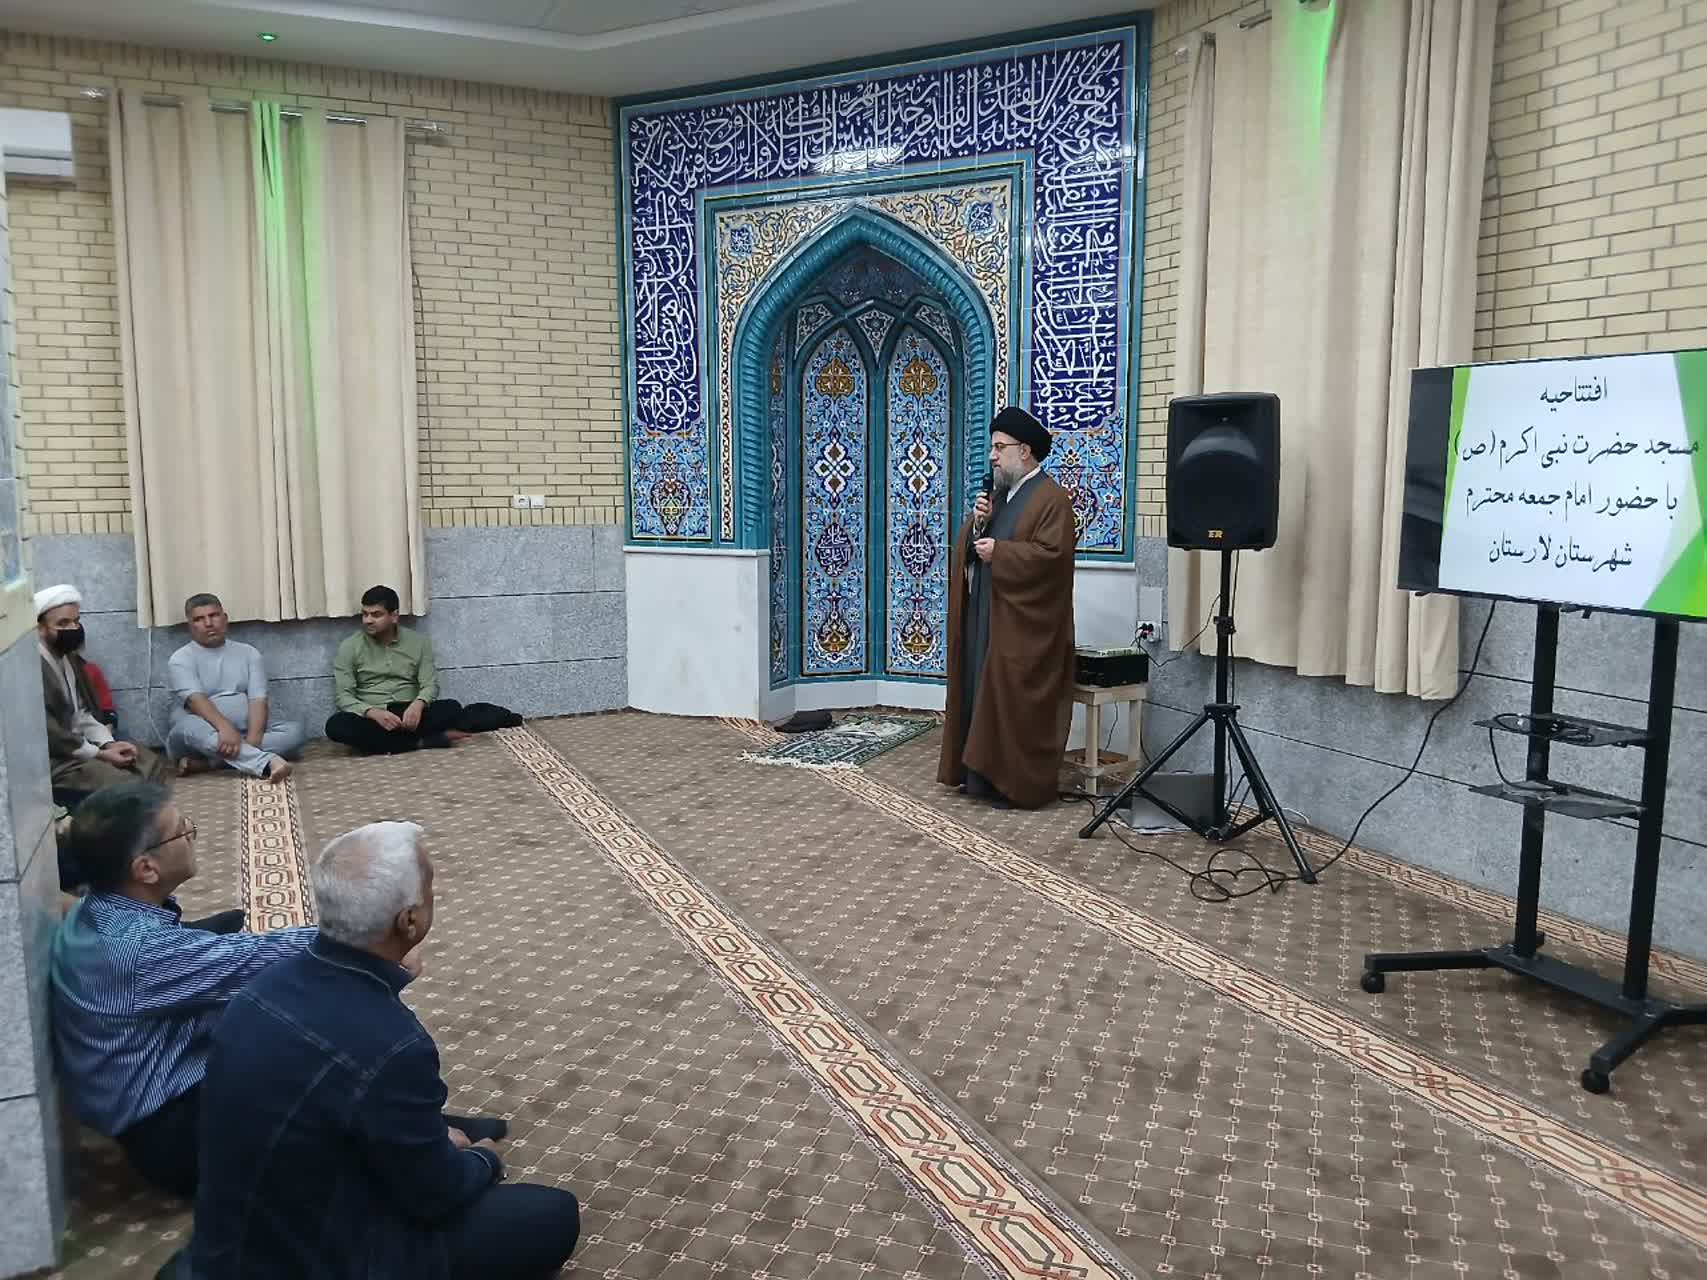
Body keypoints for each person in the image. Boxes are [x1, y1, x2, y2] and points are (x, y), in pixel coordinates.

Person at [184, 821, 580, 1279]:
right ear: (409, 921)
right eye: (430, 888)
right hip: (320, 1258)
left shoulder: (261, 988)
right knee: (551, 1215)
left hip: (229, 1245)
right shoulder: (395, 1045)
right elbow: (433, 1196)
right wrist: (481, 1159)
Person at [49, 784, 317, 1197]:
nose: (192, 833)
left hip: (143, 1093)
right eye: (181, 831)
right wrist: (364, 935)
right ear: (146, 869)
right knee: (321, 1067)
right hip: (172, 1132)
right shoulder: (141, 951)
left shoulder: (92, 907)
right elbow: (256, 957)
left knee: (243, 967)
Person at [938, 406, 1077, 809]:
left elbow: (1053, 558)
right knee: (981, 691)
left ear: (1025, 451)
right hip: (990, 616)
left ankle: (1015, 784)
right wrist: (978, 525)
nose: (993, 456)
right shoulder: (1000, 498)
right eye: (992, 448)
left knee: (1011, 698)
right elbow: (972, 549)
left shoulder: (1052, 498)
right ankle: (981, 779)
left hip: (1023, 627)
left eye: (1000, 448)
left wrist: (1002, 553)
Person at [36, 584, 170, 795]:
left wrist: (107, 743)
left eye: (76, 621)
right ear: (40, 628)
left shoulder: (69, 658)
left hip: (81, 746)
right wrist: (98, 754)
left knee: (149, 762)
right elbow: (50, 733)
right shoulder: (33, 668)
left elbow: (81, 714)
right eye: (63, 623)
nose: (73, 628)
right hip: (56, 760)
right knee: (125, 783)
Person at [166, 593, 306, 783]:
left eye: (214, 615)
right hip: (197, 737)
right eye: (199, 619)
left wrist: (253, 739)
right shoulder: (180, 659)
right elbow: (196, 701)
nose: (208, 623)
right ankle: (268, 762)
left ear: (225, 619)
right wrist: (224, 728)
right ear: (190, 626)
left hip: (243, 731)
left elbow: (258, 699)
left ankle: (211, 764)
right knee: (191, 726)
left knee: (295, 732)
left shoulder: (249, 653)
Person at [324, 585, 464, 755]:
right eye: (365, 614)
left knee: (452, 708)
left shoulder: (419, 642)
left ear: (394, 616)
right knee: (336, 725)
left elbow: (430, 685)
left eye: (376, 614)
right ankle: (421, 742)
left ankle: (382, 744)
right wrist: (372, 712)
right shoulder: (349, 647)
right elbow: (343, 697)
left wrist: (418, 705)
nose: (368, 620)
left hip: (409, 713)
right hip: (372, 716)